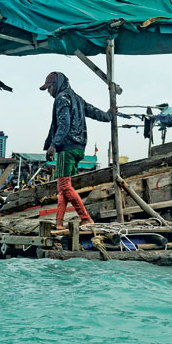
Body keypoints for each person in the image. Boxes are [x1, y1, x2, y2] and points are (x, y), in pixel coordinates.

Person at [40, 71, 113, 229]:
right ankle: (59, 223)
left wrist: (54, 145)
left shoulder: (62, 98)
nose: (48, 91)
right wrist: (109, 116)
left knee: (65, 186)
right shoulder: (77, 98)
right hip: (79, 148)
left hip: (67, 148)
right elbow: (94, 112)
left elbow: (64, 124)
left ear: (56, 85)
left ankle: (85, 218)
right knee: (62, 187)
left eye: (49, 87)